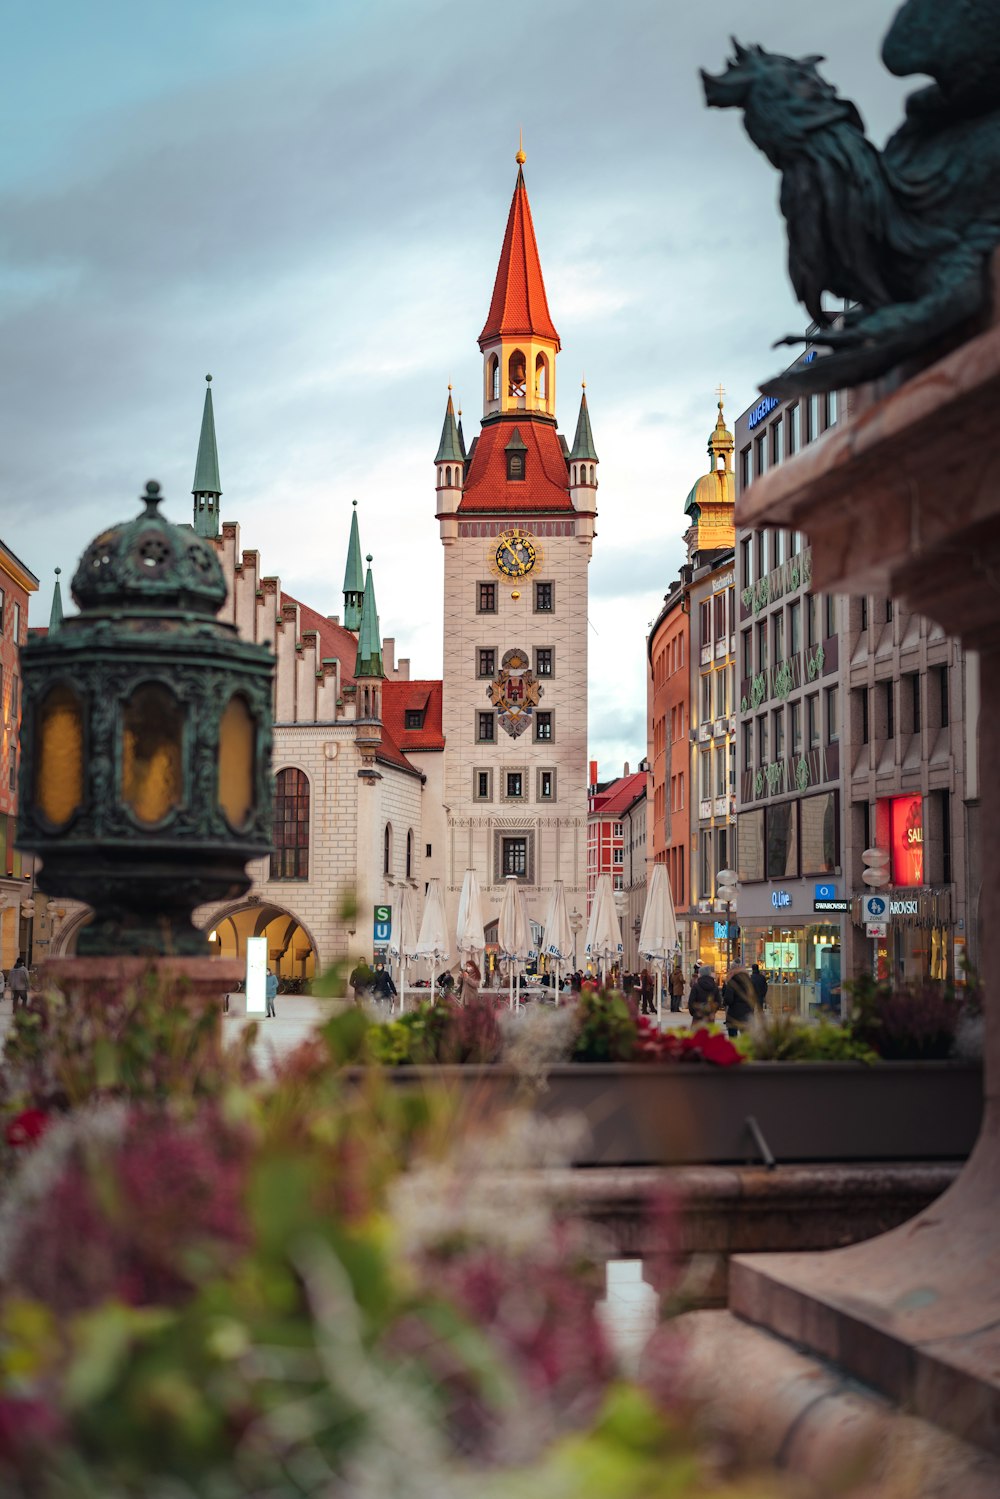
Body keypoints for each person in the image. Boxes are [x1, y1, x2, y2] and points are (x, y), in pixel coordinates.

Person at [722, 965, 757, 1037]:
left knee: (733, 1038)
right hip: (747, 1014)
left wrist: (724, 1003)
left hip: (733, 1014)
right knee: (746, 1038)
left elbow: (728, 999)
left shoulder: (732, 982)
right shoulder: (750, 983)